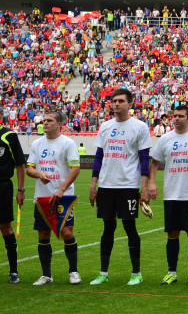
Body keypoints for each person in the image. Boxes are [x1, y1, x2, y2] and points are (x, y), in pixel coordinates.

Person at [89, 88, 153, 286]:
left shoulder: (140, 127)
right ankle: (103, 273)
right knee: (107, 229)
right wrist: (93, 184)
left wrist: (144, 188)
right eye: (114, 101)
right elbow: (99, 157)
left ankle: (136, 273)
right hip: (106, 185)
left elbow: (144, 160)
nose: (116, 104)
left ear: (130, 104)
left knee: (129, 227)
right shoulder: (105, 126)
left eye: (121, 101)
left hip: (128, 185)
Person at [149, 105, 188, 286]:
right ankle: (171, 272)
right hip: (171, 194)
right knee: (172, 234)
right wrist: (152, 182)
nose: (176, 118)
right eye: (174, 116)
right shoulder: (166, 138)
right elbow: (155, 162)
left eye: (180, 116)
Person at [26, 112, 81, 285]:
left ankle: (73, 272)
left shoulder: (67, 143)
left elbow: (75, 169)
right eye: (44, 121)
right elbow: (29, 169)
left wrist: (61, 189)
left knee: (67, 233)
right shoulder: (37, 143)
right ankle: (46, 275)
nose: (45, 123)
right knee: (43, 234)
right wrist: (39, 174)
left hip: (63, 197)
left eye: (49, 120)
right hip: (42, 197)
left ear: (59, 124)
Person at [0, 115, 25, 284]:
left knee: (6, 228)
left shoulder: (9, 135)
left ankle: (13, 272)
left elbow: (20, 164)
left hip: (2, 187)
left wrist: (21, 189)